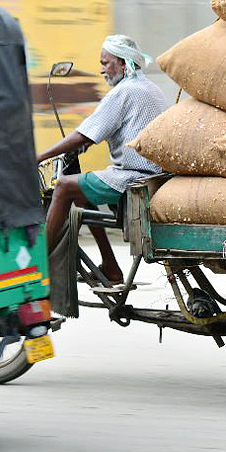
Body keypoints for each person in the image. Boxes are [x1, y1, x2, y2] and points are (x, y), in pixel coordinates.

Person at [36, 36, 170, 284]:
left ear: (121, 63)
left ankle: (38, 266)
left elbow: (83, 133)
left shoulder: (124, 91)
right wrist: (84, 143)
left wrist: (40, 156)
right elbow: (107, 130)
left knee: (64, 187)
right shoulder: (149, 88)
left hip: (133, 176)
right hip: (153, 175)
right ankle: (110, 266)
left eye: (105, 63)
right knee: (81, 191)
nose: (101, 69)